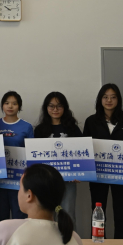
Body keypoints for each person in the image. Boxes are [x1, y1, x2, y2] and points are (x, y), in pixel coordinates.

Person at [82, 84, 123, 239]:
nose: (109, 100)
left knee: (121, 214)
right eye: (105, 97)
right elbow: (84, 148)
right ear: (100, 99)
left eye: (113, 97)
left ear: (118, 99)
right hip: (98, 174)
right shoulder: (91, 121)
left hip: (121, 175)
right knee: (98, 213)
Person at [34, 92, 82, 228]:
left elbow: (82, 152)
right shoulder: (40, 130)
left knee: (68, 214)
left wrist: (80, 172)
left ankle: (70, 241)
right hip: (47, 180)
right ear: (46, 108)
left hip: (69, 180)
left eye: (59, 106)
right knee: (47, 216)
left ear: (65, 107)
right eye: (51, 106)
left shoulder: (73, 128)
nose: (55, 109)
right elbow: (35, 156)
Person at [0, 91, 33, 222]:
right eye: (7, 103)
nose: (10, 106)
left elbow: (32, 154)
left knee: (19, 220)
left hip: (18, 182)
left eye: (14, 103)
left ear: (19, 106)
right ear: (2, 105)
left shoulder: (27, 127)